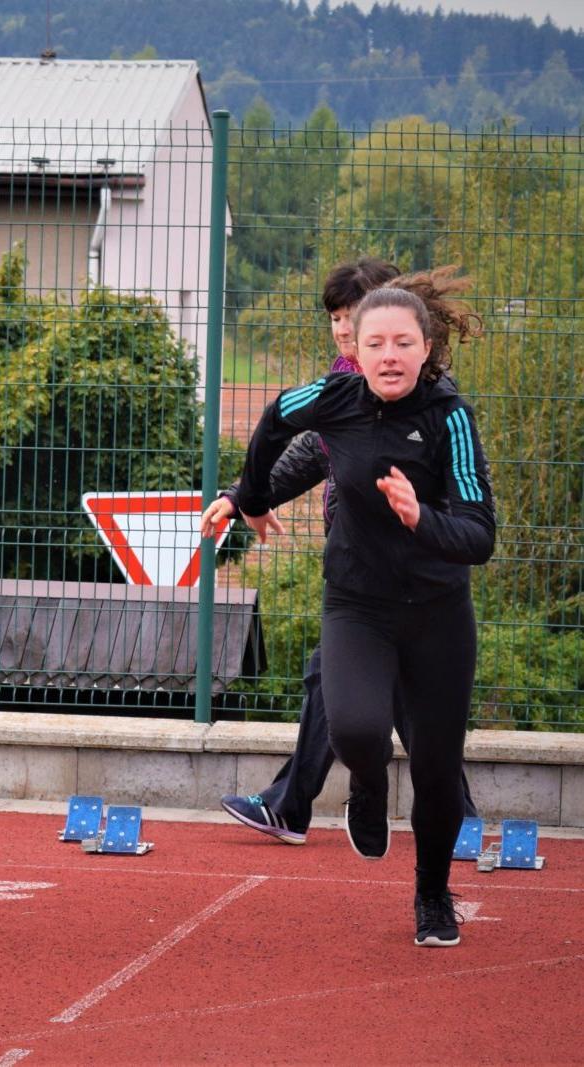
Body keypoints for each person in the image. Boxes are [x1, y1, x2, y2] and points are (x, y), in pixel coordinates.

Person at [235, 280, 493, 947]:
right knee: (354, 727)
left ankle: (432, 895)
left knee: (437, 769)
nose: (388, 354)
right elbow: (273, 419)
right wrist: (251, 495)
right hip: (358, 604)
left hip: (438, 613)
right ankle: (368, 792)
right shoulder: (334, 399)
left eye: (403, 342)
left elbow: (480, 532)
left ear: (426, 348)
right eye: (374, 341)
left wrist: (421, 517)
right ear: (357, 347)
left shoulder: (449, 417)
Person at [204, 260, 477, 843]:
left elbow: (471, 514)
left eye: (351, 319)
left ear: (415, 337)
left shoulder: (431, 398)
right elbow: (310, 451)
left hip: (419, 577)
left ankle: (299, 804)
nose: (343, 330)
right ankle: (305, 802)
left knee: (376, 694)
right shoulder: (344, 382)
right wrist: (244, 493)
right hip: (357, 569)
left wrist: (422, 518)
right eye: (336, 320)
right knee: (350, 690)